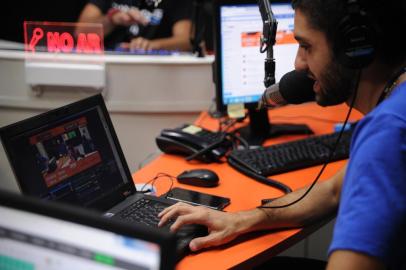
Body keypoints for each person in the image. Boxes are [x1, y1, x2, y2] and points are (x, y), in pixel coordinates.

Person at [158, 0, 406, 269]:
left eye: (307, 46)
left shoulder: (388, 132)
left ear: (354, 46)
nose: (299, 64)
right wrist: (242, 219)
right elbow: (334, 191)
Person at [78, 0, 193, 51]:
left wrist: (152, 45)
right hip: (107, 66)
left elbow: (187, 40)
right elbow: (80, 32)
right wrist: (112, 19)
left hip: (152, 70)